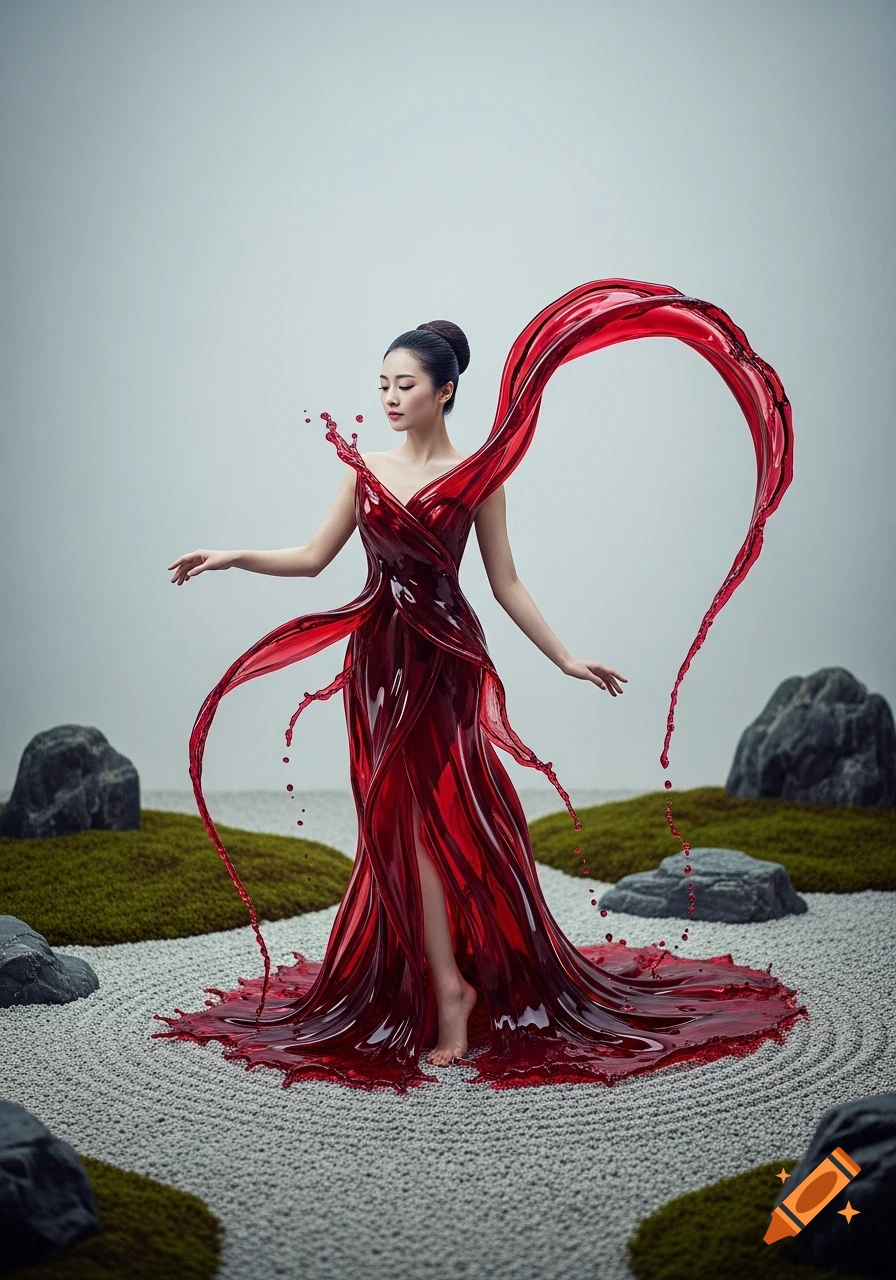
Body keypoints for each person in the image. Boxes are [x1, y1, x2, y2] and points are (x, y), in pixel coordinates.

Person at [154, 281, 806, 1094]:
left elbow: (506, 582)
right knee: (395, 823)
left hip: (447, 660)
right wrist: (231, 556)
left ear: (445, 390)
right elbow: (313, 559)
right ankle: (435, 977)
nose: (390, 399)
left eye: (405, 385)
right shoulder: (364, 471)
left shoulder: (479, 474)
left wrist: (565, 657)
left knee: (442, 820)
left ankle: (454, 993)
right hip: (380, 663)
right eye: (382, 385)